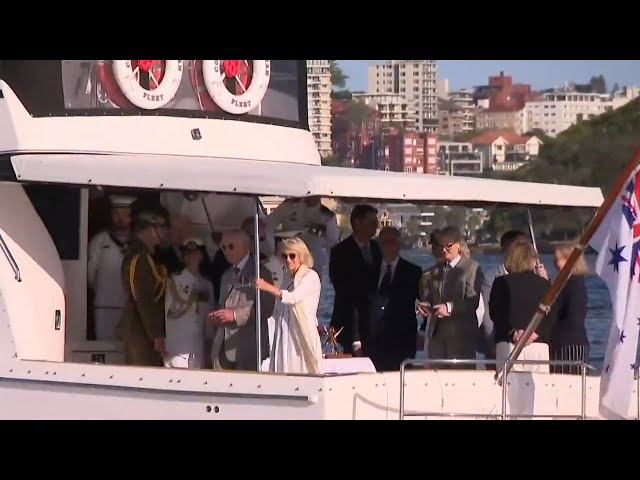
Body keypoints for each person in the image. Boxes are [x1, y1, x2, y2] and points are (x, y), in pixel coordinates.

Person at [208, 230, 275, 371]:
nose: (226, 251)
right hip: (222, 348)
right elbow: (223, 305)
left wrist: (235, 316)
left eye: (231, 246)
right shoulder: (226, 275)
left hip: (247, 349)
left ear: (246, 247)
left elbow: (266, 308)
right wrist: (217, 316)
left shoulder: (260, 273)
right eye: (223, 247)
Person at [418, 226, 483, 369]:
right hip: (437, 336)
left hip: (461, 336)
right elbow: (430, 298)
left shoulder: (471, 267)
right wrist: (423, 306)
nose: (443, 250)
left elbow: (473, 301)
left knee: (460, 380)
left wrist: (449, 307)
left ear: (459, 245)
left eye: (448, 246)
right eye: (441, 246)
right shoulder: (435, 271)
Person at [489, 241, 559, 374]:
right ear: (532, 260)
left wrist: (514, 333)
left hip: (508, 343)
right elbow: (552, 315)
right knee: (538, 390)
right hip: (538, 345)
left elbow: (496, 314)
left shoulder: (500, 283)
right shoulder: (544, 284)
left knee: (507, 390)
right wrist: (534, 333)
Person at [256, 237, 323, 374]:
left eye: (292, 256)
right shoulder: (287, 278)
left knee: (301, 369)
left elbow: (293, 297)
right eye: (284, 256)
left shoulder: (311, 276)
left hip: (300, 333)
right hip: (284, 331)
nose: (288, 260)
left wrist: (266, 286)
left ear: (302, 256)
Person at [365, 227, 422, 371]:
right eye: (383, 242)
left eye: (391, 242)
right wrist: (357, 339)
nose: (387, 246)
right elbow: (359, 306)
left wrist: (422, 331)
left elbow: (425, 302)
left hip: (402, 340)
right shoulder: (368, 270)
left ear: (399, 244)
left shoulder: (413, 272)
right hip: (372, 341)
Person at [329, 204, 381, 355]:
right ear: (357, 223)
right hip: (350, 322)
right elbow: (343, 291)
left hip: (376, 324)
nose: (376, 226)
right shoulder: (340, 252)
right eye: (372, 222)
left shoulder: (377, 248)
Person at [119, 210, 169, 366]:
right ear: (150, 229)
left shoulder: (144, 256)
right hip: (140, 329)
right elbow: (144, 299)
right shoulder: (140, 258)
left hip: (141, 327)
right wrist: (156, 335)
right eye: (161, 228)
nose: (164, 232)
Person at [87, 195, 135, 341]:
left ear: (131, 217)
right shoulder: (99, 241)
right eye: (116, 214)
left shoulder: (137, 244)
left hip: (129, 308)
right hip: (104, 306)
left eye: (125, 215)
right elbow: (90, 276)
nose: (120, 219)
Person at [163, 237, 215, 369]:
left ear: (201, 256)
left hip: (199, 347)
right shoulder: (174, 281)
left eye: (194, 253)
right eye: (187, 253)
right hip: (178, 346)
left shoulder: (207, 284)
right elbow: (171, 312)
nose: (190, 257)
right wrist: (190, 299)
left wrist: (209, 344)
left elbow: (209, 318)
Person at [479, 230, 528, 363]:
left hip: (529, 344)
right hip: (499, 342)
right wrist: (493, 344)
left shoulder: (535, 276)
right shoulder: (490, 278)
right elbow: (486, 314)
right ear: (506, 247)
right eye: (519, 245)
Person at [266, 196, 340, 277]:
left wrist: (334, 269)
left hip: (313, 262)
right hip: (288, 260)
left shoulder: (327, 216)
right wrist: (271, 249)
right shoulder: (288, 207)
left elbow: (333, 243)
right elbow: (267, 225)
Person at [549, 243, 590, 375]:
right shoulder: (571, 282)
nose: (555, 264)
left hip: (568, 342)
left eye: (558, 260)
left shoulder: (572, 283)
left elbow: (563, 310)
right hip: (566, 341)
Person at [417, 229, 446, 355]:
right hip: (431, 329)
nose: (436, 250)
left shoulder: (464, 272)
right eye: (434, 246)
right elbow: (425, 302)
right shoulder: (426, 276)